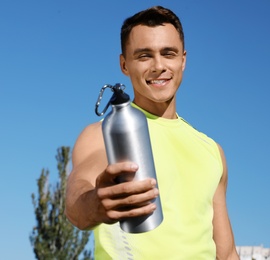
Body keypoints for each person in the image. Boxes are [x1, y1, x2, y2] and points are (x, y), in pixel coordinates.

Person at [65, 6, 239, 259]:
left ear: (183, 60)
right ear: (124, 64)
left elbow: (226, 252)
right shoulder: (108, 132)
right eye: (144, 56)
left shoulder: (212, 150)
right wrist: (94, 204)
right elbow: (76, 199)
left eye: (168, 53)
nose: (159, 66)